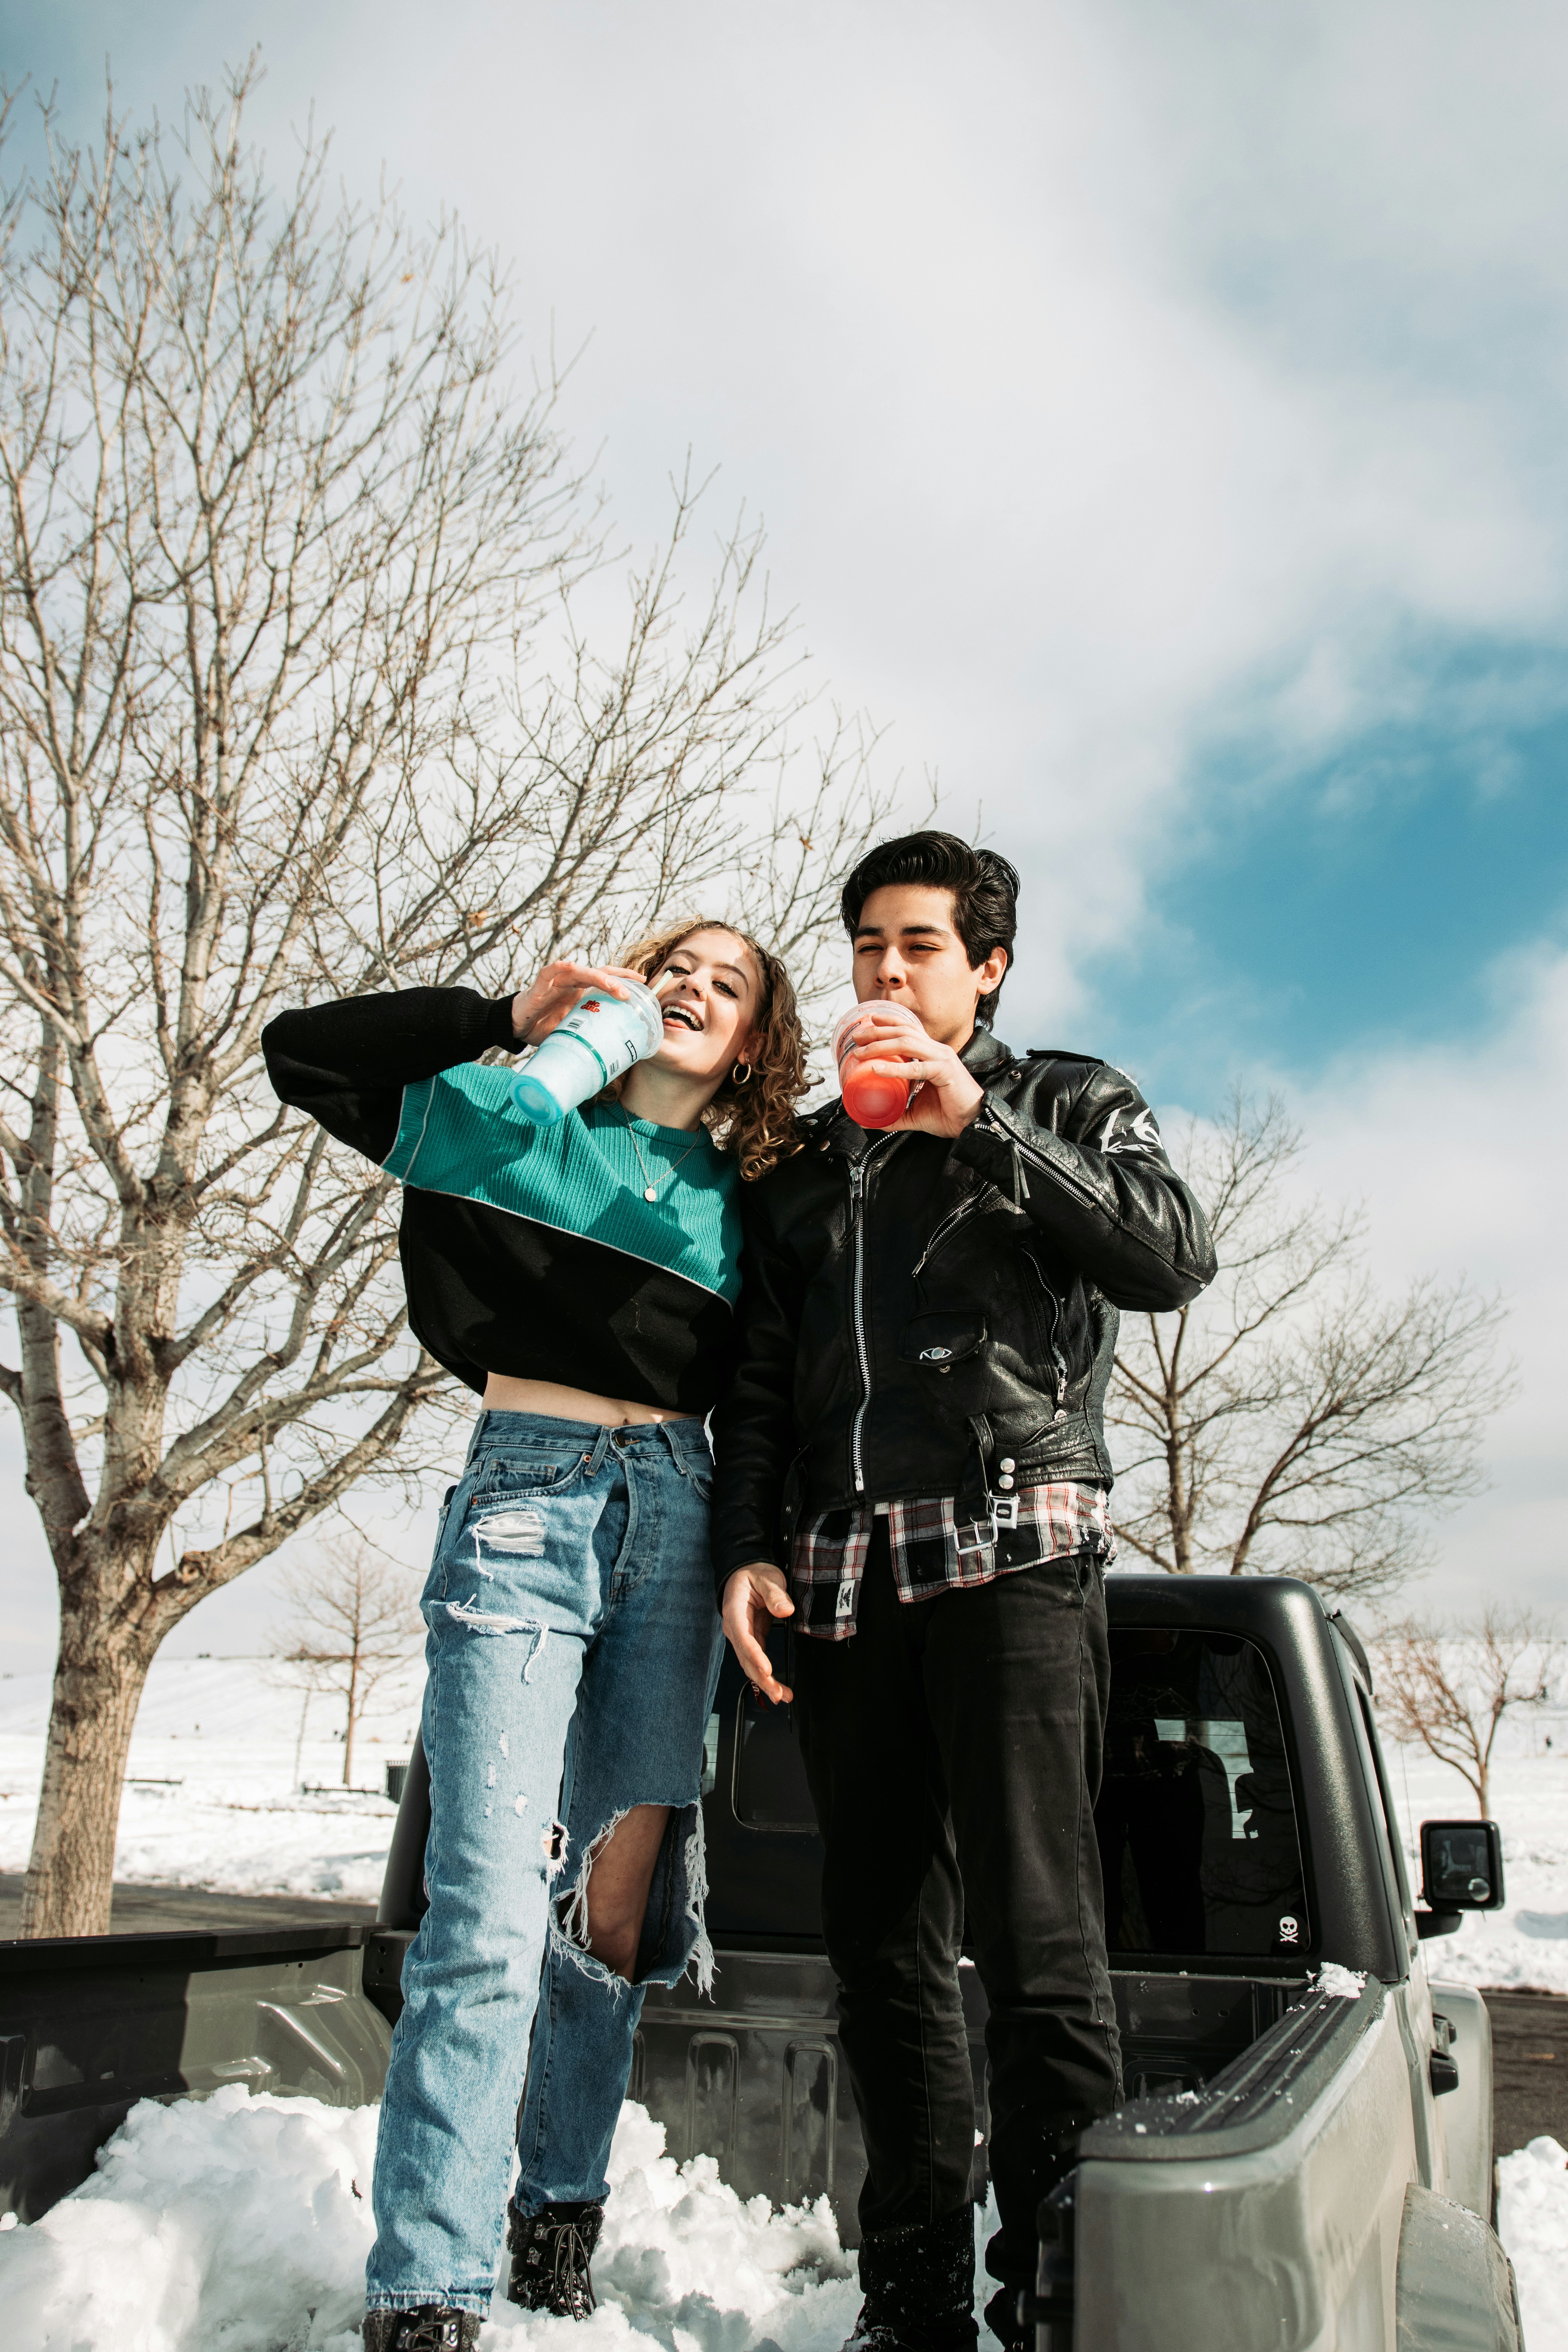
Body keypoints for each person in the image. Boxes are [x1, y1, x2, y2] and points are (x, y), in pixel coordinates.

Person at [263, 921, 808, 2352]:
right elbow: (302, 1053)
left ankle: (554, 2221)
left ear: (752, 1039)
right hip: (526, 1504)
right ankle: (429, 2294)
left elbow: (772, 1396)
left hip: (680, 1531)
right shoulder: (507, 1122)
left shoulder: (751, 1204)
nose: (692, 987)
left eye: (727, 982)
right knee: (490, 1911)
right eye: (670, 963)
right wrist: (505, 1012)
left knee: (610, 1921)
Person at [712, 833, 1216, 2352]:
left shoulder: (1062, 1097)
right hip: (847, 1579)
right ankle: (912, 2306)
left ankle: (1055, 2304)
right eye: (866, 944)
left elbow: (1168, 1253)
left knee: (1040, 1951)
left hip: (1009, 1556)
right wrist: (748, 1545)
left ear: (983, 964)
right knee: (881, 1968)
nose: (884, 971)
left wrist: (979, 1117)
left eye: (918, 946)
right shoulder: (800, 1166)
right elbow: (756, 1380)